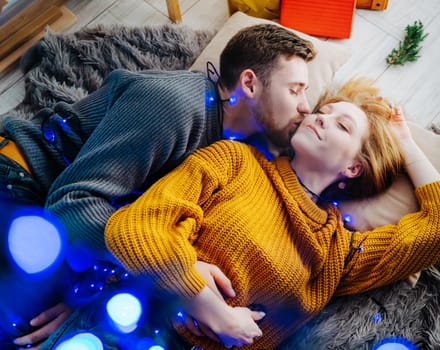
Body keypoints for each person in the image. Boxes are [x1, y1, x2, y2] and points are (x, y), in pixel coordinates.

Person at [0, 24, 316, 349]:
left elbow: (142, 219)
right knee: (21, 328)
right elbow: (72, 203)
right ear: (249, 83)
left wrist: (90, 290)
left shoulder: (239, 150)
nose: (306, 106)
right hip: (21, 181)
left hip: (68, 230)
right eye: (295, 90)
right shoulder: (174, 106)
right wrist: (177, 270)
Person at [104, 78, 440, 349]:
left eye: (341, 125)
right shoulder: (236, 160)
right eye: (323, 112)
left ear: (353, 168)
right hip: (127, 325)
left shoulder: (338, 253)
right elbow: (133, 227)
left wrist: (406, 145)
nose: (321, 118)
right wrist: (204, 301)